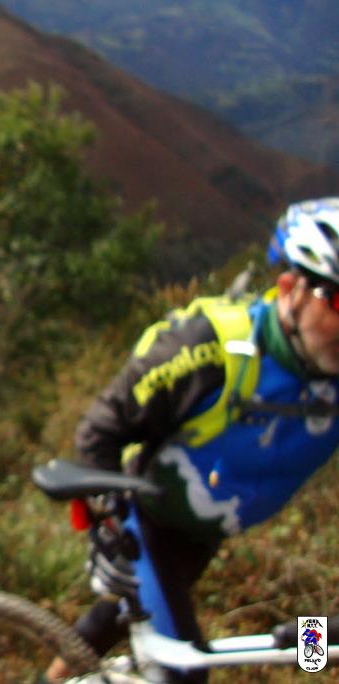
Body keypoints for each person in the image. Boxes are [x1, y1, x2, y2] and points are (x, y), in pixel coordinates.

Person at [46, 198, 339, 682]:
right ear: (291, 289)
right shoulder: (208, 348)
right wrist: (107, 529)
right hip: (145, 520)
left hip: (205, 529)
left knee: (316, 650)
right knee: (183, 670)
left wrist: (318, 640)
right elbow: (101, 429)